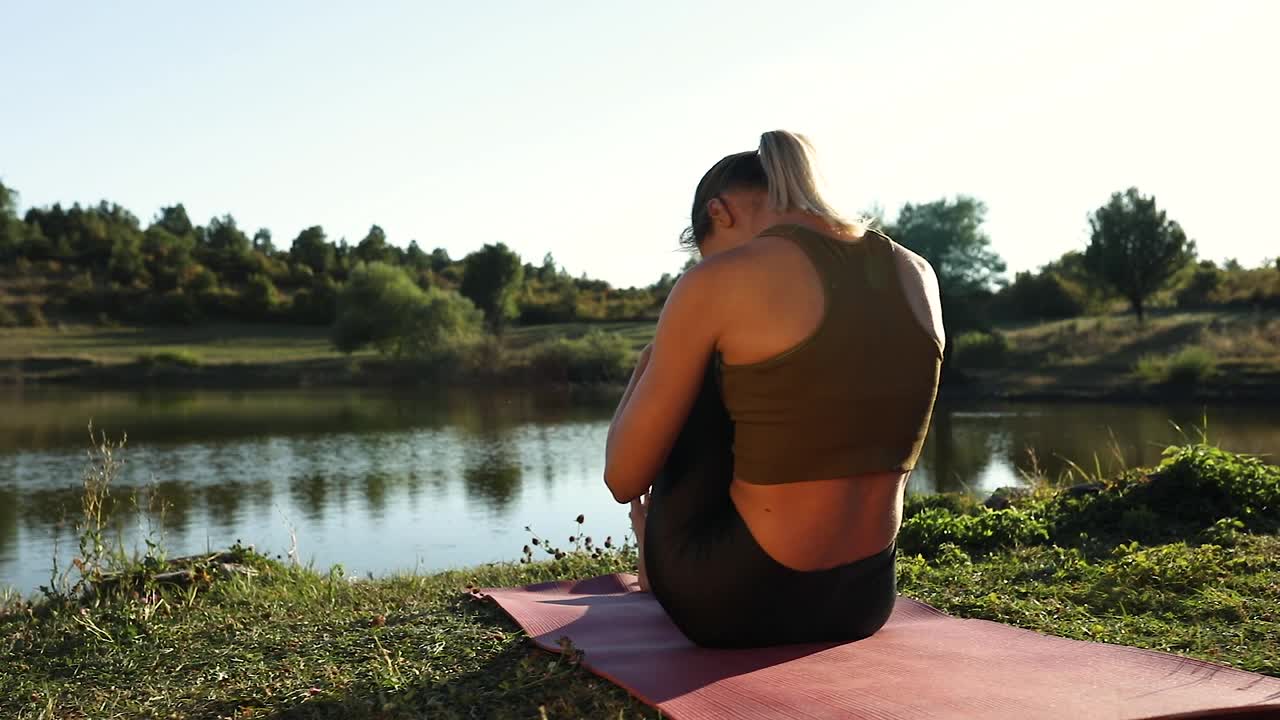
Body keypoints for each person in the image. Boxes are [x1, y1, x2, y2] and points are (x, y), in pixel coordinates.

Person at [604, 130, 944, 648]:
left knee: (693, 378)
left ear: (719, 213)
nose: (709, 263)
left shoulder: (720, 279)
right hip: (864, 600)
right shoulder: (917, 271)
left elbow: (623, 477)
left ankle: (654, 558)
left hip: (732, 603)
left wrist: (650, 365)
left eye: (705, 252)